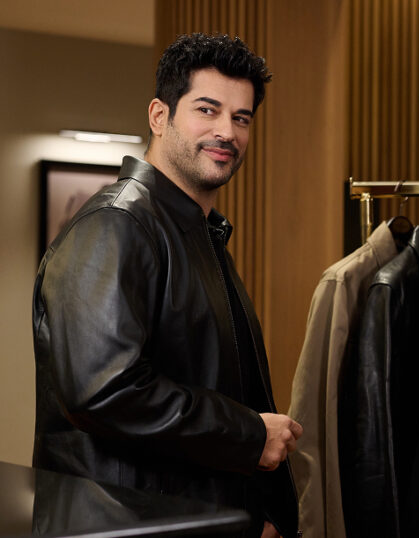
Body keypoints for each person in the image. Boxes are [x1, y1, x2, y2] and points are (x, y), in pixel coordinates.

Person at [33, 33, 301, 538]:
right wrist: (248, 434)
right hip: (124, 527)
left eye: (241, 118)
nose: (227, 131)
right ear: (159, 116)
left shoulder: (198, 233)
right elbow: (104, 391)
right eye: (207, 110)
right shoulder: (117, 225)